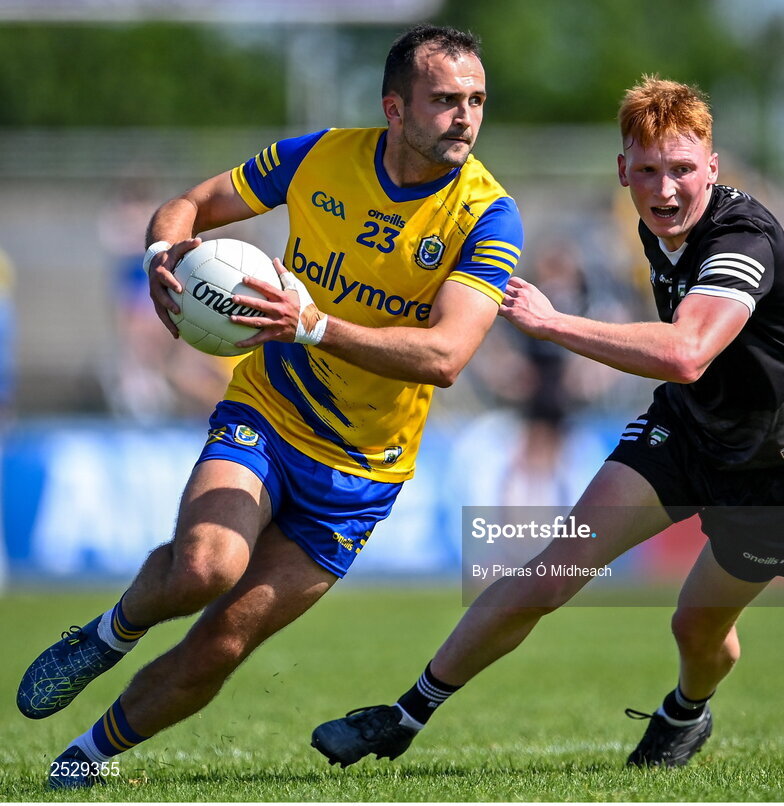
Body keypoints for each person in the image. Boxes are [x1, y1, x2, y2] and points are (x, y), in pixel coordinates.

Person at [17, 23, 522, 789]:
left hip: (361, 471)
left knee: (223, 642)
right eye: (445, 99)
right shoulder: (318, 157)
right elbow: (189, 205)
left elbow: (447, 357)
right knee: (205, 566)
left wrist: (313, 324)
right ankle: (107, 634)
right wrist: (160, 260)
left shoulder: (488, 215)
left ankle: (81, 761)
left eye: (476, 100)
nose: (465, 116)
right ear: (394, 108)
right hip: (268, 411)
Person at [311, 76, 784, 770]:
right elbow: (687, 376)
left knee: (698, 625)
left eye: (683, 170)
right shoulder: (655, 227)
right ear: (623, 169)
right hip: (687, 434)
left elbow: (686, 353)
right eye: (648, 171)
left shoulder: (744, 239)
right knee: (548, 573)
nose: (665, 190)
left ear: (713, 168)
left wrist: (552, 323)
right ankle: (404, 715)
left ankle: (685, 710)